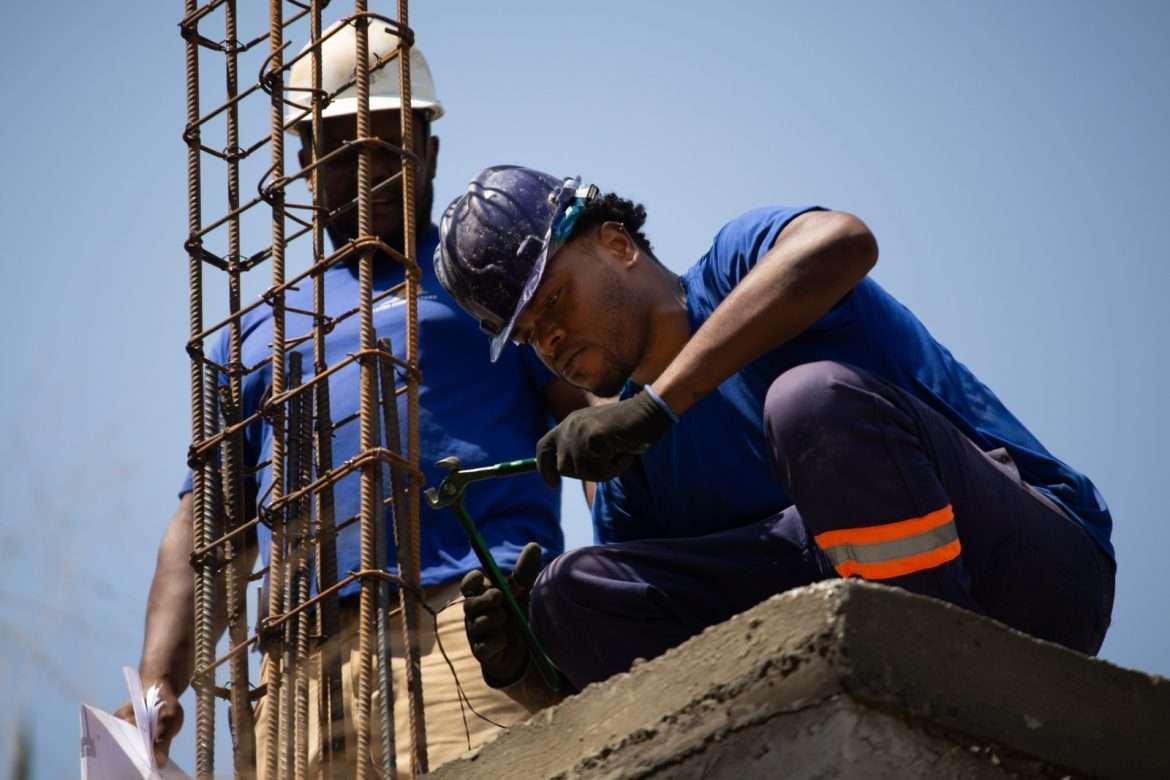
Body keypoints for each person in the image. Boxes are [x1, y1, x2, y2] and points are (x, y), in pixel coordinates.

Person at [435, 165, 1116, 693]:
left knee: (809, 401)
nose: (549, 338)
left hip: (1031, 570)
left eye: (553, 300)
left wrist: (659, 403)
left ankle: (929, 672)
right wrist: (529, 662)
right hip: (837, 607)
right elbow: (636, 651)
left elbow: (843, 241)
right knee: (570, 590)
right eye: (528, 335)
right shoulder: (632, 473)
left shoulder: (738, 264)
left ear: (617, 245)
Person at [117, 26, 586, 776]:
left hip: (473, 639)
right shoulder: (255, 334)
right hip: (299, 672)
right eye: (341, 148)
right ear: (307, 163)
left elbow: (594, 419)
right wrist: (157, 684)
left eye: (390, 142)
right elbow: (207, 523)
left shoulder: (492, 283)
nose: (367, 167)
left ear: (429, 150)